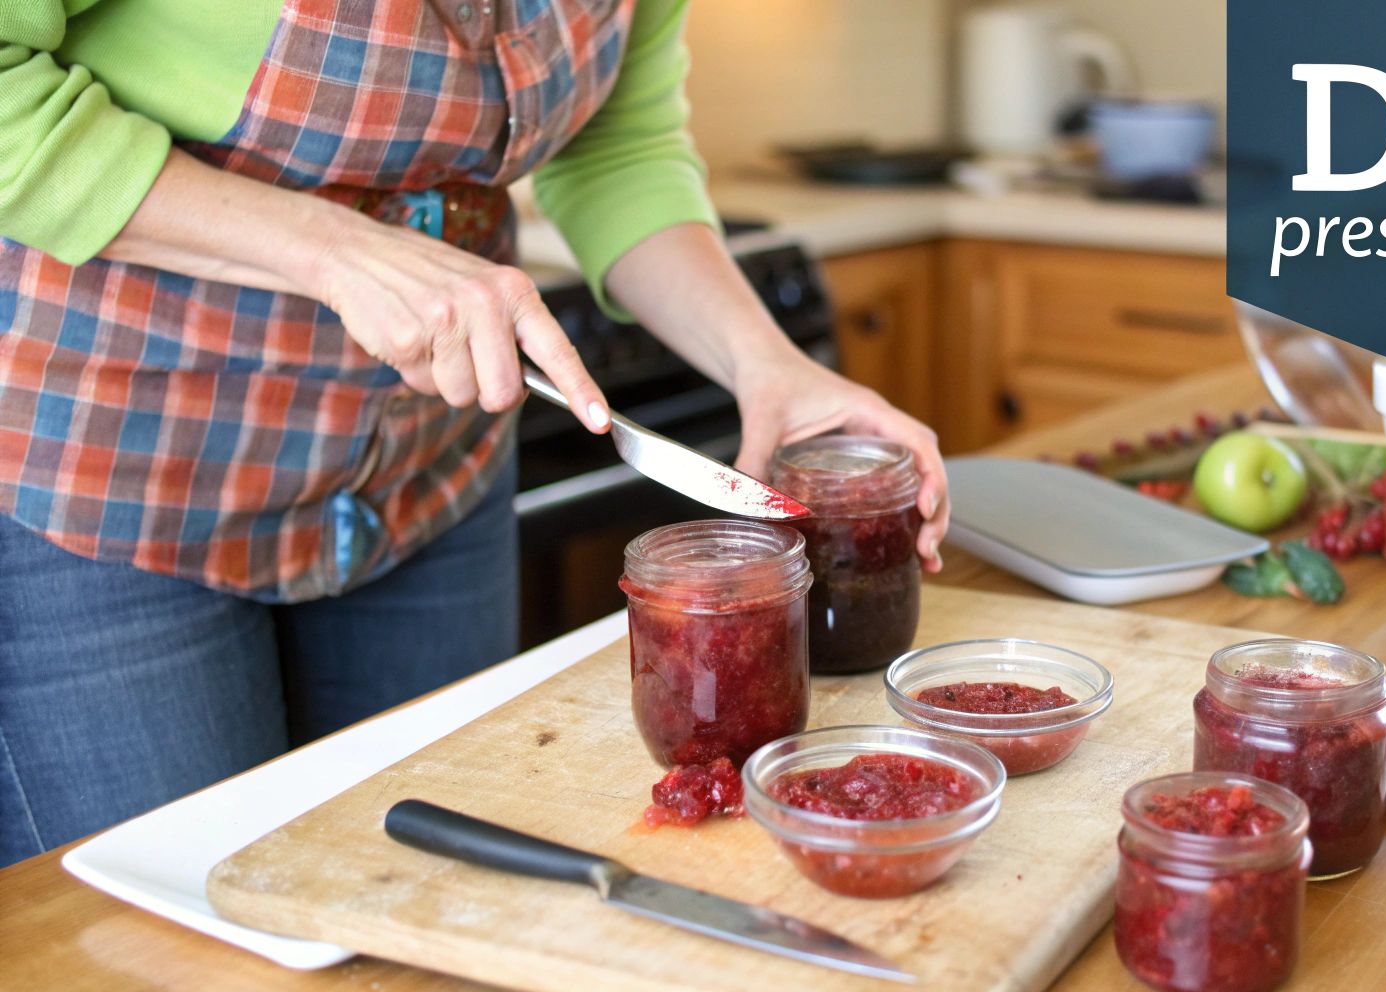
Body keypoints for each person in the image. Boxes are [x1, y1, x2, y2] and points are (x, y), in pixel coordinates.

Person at [0, 0, 948, 866]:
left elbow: (616, 143)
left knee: (426, 889)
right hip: (104, 477)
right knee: (173, 935)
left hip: (428, 480)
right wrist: (334, 248)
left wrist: (764, 362)